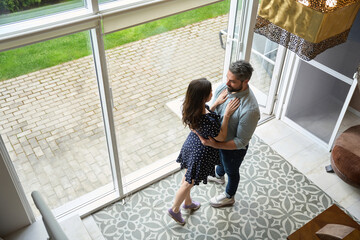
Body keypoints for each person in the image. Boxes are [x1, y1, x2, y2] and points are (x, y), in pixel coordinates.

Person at [168, 78, 240, 225]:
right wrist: (226, 115)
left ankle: (187, 203)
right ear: (202, 97)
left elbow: (205, 117)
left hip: (191, 145)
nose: (213, 93)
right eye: (210, 92)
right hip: (200, 153)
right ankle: (174, 210)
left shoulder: (191, 107)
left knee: (188, 178)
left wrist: (215, 104)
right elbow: (221, 136)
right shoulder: (207, 120)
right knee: (189, 182)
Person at [196, 60, 260, 208]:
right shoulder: (224, 88)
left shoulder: (250, 110)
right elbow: (212, 113)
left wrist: (215, 143)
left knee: (232, 171)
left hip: (233, 150)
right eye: (227, 78)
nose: (227, 83)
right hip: (219, 142)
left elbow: (240, 142)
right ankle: (219, 176)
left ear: (245, 81)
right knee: (221, 161)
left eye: (232, 81)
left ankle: (229, 196)